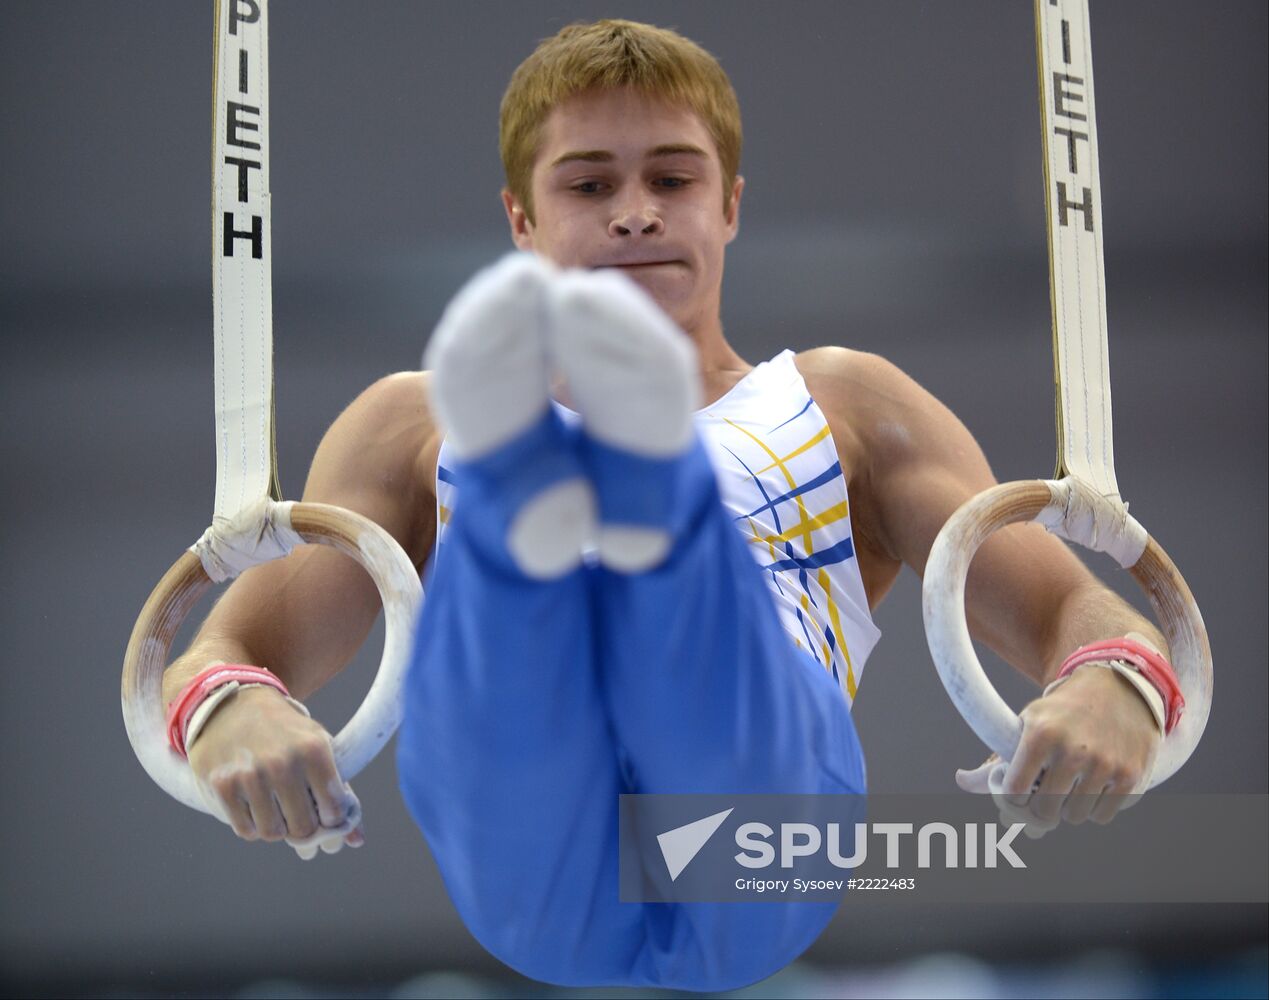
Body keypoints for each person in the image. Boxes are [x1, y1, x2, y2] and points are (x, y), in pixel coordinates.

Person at [163, 18, 1169, 992]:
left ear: (729, 204)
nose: (635, 212)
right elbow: (230, 649)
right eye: (589, 183)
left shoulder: (847, 406)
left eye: (673, 179)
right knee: (501, 635)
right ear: (520, 217)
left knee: (677, 628)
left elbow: (1072, 609)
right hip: (530, 838)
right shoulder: (411, 423)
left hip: (753, 837)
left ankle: (640, 511)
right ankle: (568, 520)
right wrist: (231, 706)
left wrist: (1109, 681)